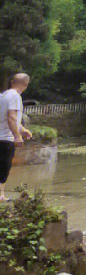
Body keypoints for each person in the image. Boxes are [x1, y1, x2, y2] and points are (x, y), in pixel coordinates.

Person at [0, 73, 33, 202]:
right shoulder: (15, 96)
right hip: (5, 138)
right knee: (4, 166)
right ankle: (1, 196)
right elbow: (11, 118)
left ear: (12, 81)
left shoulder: (3, 95)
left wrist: (23, 130)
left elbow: (6, 118)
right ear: (25, 85)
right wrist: (17, 136)